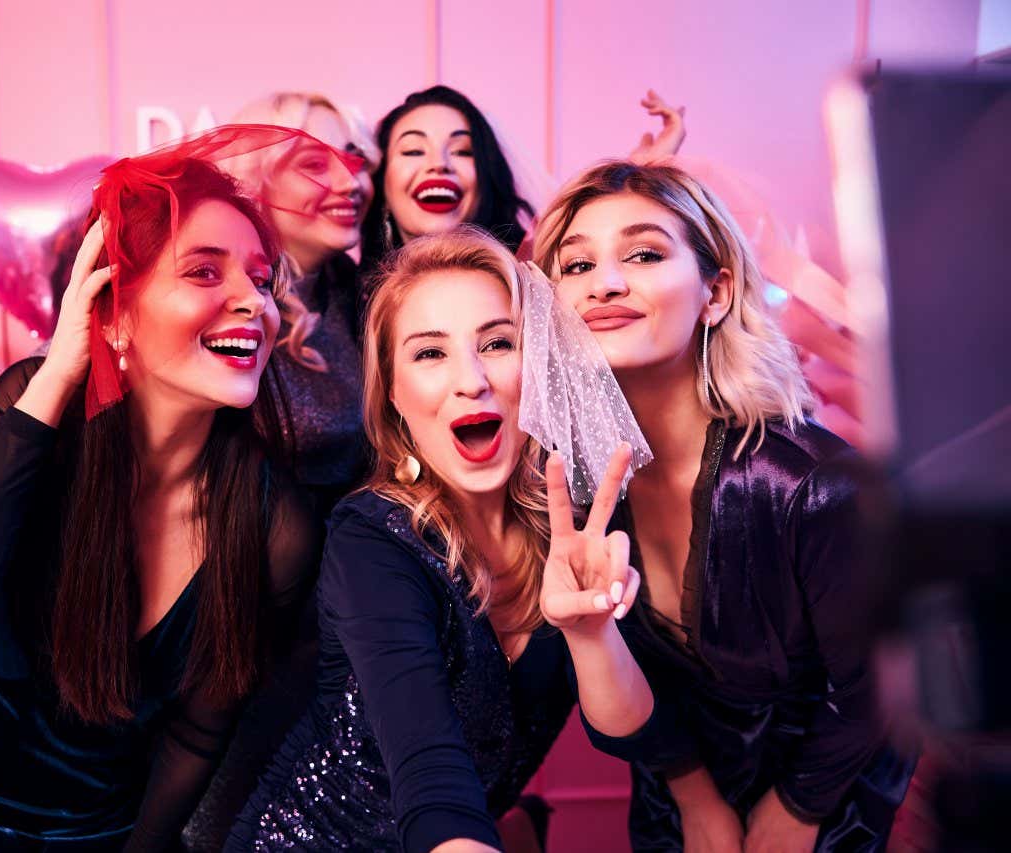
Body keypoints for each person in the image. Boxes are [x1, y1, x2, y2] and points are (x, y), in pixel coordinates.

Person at [0, 127, 323, 852]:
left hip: (91, 831)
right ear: (115, 311)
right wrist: (63, 369)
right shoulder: (36, 411)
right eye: (205, 273)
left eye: (259, 278)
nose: (253, 302)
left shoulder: (275, 527)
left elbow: (196, 730)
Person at [228, 227, 658, 852]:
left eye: (499, 343)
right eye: (430, 354)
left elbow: (628, 736)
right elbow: (431, 779)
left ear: (537, 369)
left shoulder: (578, 529)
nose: (472, 380)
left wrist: (591, 633)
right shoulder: (372, 540)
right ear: (394, 393)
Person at [532, 160, 916, 851]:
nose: (604, 283)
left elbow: (883, 688)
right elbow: (634, 687)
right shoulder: (575, 485)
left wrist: (798, 810)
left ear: (717, 291)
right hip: (671, 804)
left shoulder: (813, 484)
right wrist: (695, 799)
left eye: (643, 253)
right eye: (577, 265)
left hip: (825, 806)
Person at [228, 93, 380, 510]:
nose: (350, 184)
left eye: (354, 161)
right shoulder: (225, 304)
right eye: (314, 164)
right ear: (252, 183)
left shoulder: (366, 294)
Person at [359, 86, 686, 272]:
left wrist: (642, 168)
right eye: (414, 151)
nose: (439, 164)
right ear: (382, 181)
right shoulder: (346, 299)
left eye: (463, 151)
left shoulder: (533, 271)